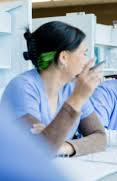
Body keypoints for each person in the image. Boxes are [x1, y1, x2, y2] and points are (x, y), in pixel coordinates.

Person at [0, 21, 106, 156]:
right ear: (63, 57)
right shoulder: (21, 87)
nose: (87, 61)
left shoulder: (71, 87)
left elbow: (100, 137)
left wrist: (65, 147)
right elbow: (41, 149)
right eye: (84, 53)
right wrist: (77, 99)